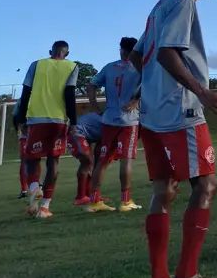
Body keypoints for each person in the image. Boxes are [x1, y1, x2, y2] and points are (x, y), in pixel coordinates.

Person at [131, 0, 217, 278]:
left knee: (164, 192)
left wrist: (149, 89)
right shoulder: (184, 2)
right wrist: (202, 91)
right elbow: (165, 53)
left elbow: (138, 54)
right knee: (206, 185)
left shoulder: (159, 5)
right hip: (181, 111)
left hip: (153, 114)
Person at [13, 40, 79, 219]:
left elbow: (25, 92)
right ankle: (44, 208)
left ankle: (34, 188)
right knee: (53, 162)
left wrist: (21, 118)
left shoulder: (37, 65)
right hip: (59, 121)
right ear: (67, 53)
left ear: (51, 51)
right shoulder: (72, 66)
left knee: (31, 158)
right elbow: (69, 94)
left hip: (36, 118)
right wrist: (73, 122)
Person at [86, 36, 143, 213]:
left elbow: (91, 85)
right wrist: (135, 101)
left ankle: (95, 201)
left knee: (102, 162)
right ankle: (125, 201)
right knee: (126, 161)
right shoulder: (140, 68)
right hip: (129, 120)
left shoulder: (110, 67)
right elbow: (150, 85)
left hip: (109, 119)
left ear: (121, 49)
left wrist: (95, 106)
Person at [68, 110, 103, 206]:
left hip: (81, 135)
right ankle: (80, 197)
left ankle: (88, 195)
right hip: (75, 133)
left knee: (90, 164)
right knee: (87, 163)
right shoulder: (105, 123)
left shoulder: (99, 119)